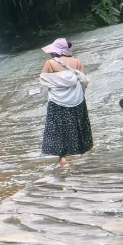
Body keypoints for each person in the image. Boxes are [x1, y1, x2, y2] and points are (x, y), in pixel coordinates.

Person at [39, 37, 92, 167]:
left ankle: (62, 158)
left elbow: (44, 81)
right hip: (77, 100)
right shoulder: (78, 62)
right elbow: (84, 81)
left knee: (58, 128)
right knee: (78, 124)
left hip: (57, 101)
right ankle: (82, 151)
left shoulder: (50, 64)